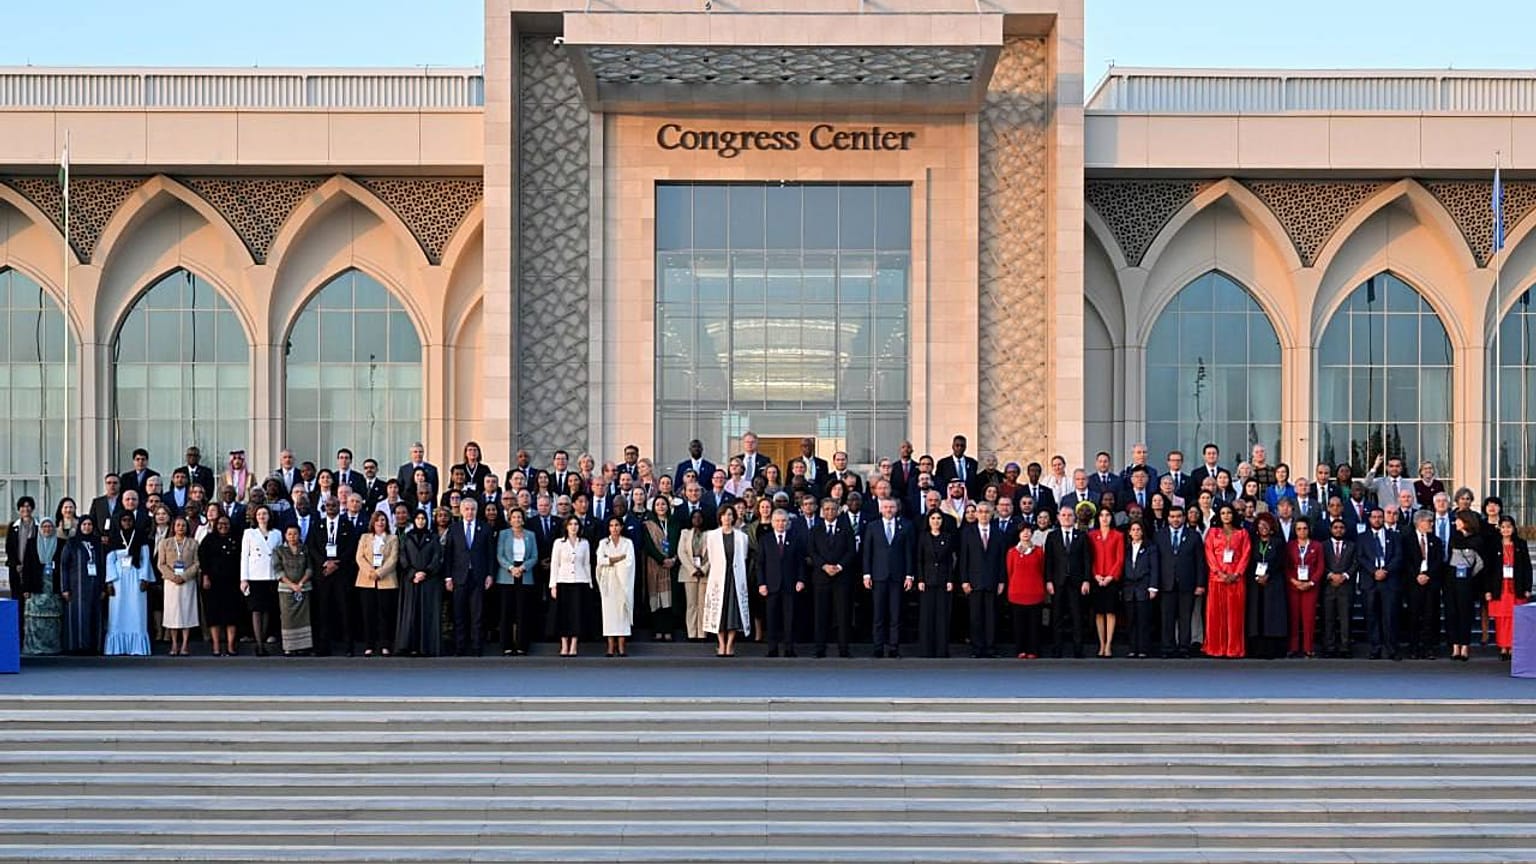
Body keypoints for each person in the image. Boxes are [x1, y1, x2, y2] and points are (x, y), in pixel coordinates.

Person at [861, 497, 913, 659]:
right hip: (878, 576)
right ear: (880, 509)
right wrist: (866, 574)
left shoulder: (905, 526)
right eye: (886, 507)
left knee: (895, 614)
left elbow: (909, 553)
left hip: (898, 576)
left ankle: (893, 648)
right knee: (878, 614)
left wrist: (909, 575)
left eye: (891, 507)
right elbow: (867, 552)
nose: (889, 510)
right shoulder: (872, 526)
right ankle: (878, 647)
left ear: (896, 509)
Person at [444, 498, 493, 657]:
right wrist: (448, 577)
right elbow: (448, 554)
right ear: (461, 510)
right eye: (467, 509)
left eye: (472, 509)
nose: (470, 512)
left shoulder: (484, 528)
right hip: (459, 577)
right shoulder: (454, 528)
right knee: (459, 614)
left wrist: (490, 574)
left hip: (478, 577)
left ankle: (477, 647)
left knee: (477, 614)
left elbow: (490, 554)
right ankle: (460, 647)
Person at [809, 497, 857, 658]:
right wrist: (824, 566)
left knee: (843, 615)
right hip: (821, 578)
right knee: (820, 614)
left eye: (833, 509)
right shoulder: (816, 529)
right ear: (822, 511)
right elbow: (812, 552)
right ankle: (819, 649)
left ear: (838, 510)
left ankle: (844, 649)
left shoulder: (846, 528)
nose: (830, 512)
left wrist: (839, 567)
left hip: (841, 577)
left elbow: (851, 551)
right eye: (827, 509)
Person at [958, 501, 1006, 658]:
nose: (984, 514)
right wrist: (964, 580)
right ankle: (977, 648)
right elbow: (963, 558)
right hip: (974, 581)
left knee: (992, 616)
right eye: (981, 511)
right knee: (975, 616)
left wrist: (1001, 580)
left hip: (992, 580)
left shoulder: (998, 533)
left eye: (987, 511)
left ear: (992, 513)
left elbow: (1001, 559)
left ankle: (991, 648)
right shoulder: (967, 532)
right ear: (976, 514)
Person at [104, 510, 155, 656]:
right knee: (117, 611)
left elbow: (145, 559)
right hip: (118, 579)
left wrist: (144, 578)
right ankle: (117, 647)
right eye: (124, 520)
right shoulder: (114, 537)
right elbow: (109, 561)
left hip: (135, 575)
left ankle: (137, 647)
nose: (127, 523)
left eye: (129, 520)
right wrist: (109, 582)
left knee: (136, 610)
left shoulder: (140, 537)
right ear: (120, 522)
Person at [395, 510, 445, 657]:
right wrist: (413, 573)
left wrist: (426, 572)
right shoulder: (407, 537)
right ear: (414, 520)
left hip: (429, 581)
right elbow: (403, 558)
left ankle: (426, 647)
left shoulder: (434, 537)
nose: (421, 521)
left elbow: (437, 557)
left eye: (423, 518)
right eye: (418, 518)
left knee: (427, 613)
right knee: (411, 612)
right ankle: (409, 646)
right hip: (411, 581)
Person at [1203, 503, 1250, 659]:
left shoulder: (1242, 533)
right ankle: (1216, 648)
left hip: (1236, 580)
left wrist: (1236, 574)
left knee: (1235, 616)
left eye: (1229, 513)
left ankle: (1234, 649)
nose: (1226, 516)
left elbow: (1245, 555)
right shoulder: (1213, 532)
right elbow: (1209, 554)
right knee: (1216, 615)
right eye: (1223, 513)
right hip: (1217, 579)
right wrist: (1219, 573)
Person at [757, 508, 806, 658]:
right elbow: (760, 564)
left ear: (788, 523)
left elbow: (800, 562)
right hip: (771, 585)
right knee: (772, 618)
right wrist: (761, 583)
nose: (780, 524)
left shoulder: (795, 539)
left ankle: (789, 649)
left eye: (783, 521)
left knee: (789, 618)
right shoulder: (766, 540)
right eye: (777, 521)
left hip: (790, 585)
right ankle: (772, 648)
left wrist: (801, 579)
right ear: (772, 523)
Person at [1156, 507, 1204, 658]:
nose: (1175, 519)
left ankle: (1184, 648)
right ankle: (1167, 648)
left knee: (1185, 617)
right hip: (1166, 583)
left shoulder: (1194, 536)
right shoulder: (1159, 535)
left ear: (1184, 518)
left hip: (1187, 583)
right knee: (1167, 618)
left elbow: (1200, 562)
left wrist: (1200, 584)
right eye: (1172, 516)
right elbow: (1156, 561)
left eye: (1178, 516)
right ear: (1168, 518)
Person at [704, 506, 750, 656]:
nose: (727, 518)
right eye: (724, 515)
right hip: (719, 578)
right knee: (719, 612)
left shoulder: (741, 537)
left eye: (730, 515)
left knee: (733, 612)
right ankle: (721, 644)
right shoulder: (711, 536)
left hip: (735, 577)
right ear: (720, 517)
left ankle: (730, 645)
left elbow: (743, 557)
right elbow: (711, 557)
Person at [353, 511, 399, 657]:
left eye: (383, 520)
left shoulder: (393, 538)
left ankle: (385, 645)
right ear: (373, 522)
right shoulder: (365, 537)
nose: (380, 523)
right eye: (378, 520)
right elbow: (359, 557)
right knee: (368, 614)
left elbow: (393, 559)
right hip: (367, 581)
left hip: (386, 581)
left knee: (385, 615)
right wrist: (370, 572)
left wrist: (379, 573)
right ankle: (369, 645)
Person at [1046, 505, 1088, 658]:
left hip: (1076, 582)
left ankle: (1078, 649)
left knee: (1077, 615)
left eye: (1069, 515)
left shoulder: (1081, 535)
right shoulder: (1053, 536)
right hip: (1058, 581)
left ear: (1074, 517)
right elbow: (1048, 560)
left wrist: (1086, 580)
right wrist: (1048, 580)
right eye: (1063, 515)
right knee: (1056, 616)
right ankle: (1057, 648)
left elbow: (1086, 560)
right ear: (1058, 517)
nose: (1066, 518)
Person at [1243, 513, 1287, 659]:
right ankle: (1257, 649)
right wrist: (1257, 576)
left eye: (1266, 525)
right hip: (1255, 583)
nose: (1263, 528)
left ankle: (1272, 649)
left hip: (1273, 582)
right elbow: (1249, 561)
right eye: (1260, 525)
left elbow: (1281, 561)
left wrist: (1268, 574)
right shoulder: (1252, 542)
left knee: (1272, 615)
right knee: (1256, 614)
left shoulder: (1278, 542)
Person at [1486, 515, 1530, 663]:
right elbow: (1488, 569)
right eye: (1503, 527)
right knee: (1501, 618)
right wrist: (1488, 590)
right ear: (1499, 528)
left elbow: (1527, 567)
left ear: (1513, 528)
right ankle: (1503, 647)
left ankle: (1513, 647)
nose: (1506, 530)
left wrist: (1527, 587)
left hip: (1516, 586)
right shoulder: (1493, 545)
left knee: (1515, 618)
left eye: (1509, 527)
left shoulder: (1520, 544)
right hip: (1499, 586)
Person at [490, 508, 534, 656]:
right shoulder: (504, 534)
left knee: (523, 612)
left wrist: (522, 567)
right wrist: (511, 568)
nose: (517, 520)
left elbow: (534, 556)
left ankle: (522, 645)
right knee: (506, 612)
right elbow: (499, 555)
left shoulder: (530, 535)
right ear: (510, 519)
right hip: (506, 576)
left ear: (523, 519)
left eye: (519, 517)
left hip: (525, 574)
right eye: (514, 517)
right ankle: (507, 645)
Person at [239, 504, 282, 655]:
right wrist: (244, 579)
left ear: (269, 516)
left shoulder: (277, 533)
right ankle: (259, 644)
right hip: (255, 576)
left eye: (264, 514)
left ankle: (263, 639)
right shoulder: (249, 533)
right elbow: (244, 556)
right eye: (259, 514)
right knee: (256, 610)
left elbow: (280, 554)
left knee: (267, 610)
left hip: (271, 576)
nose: (262, 517)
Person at [155, 516, 200, 656]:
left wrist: (184, 576)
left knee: (187, 612)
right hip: (171, 582)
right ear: (173, 527)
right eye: (178, 525)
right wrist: (172, 576)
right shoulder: (165, 543)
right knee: (173, 614)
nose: (181, 528)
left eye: (183, 525)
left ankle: (185, 645)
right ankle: (174, 644)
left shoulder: (193, 543)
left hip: (188, 581)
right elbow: (161, 564)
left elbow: (197, 563)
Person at [198, 515, 242, 656]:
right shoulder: (209, 539)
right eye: (220, 523)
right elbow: (203, 558)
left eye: (226, 523)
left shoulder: (237, 538)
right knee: (214, 614)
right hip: (213, 582)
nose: (223, 526)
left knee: (232, 614)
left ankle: (230, 646)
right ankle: (216, 646)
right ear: (216, 525)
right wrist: (205, 576)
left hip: (232, 582)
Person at [915, 509, 956, 658]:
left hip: (943, 581)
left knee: (942, 616)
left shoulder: (947, 537)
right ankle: (926, 650)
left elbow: (950, 561)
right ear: (929, 520)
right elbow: (919, 560)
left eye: (939, 518)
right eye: (933, 518)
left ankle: (942, 650)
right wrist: (920, 579)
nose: (936, 521)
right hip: (927, 581)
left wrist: (951, 580)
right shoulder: (923, 537)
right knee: (927, 616)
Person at [550, 515, 592, 657]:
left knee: (576, 614)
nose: (574, 527)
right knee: (563, 614)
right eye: (571, 524)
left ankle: (574, 644)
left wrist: (590, 582)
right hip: (563, 581)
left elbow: (587, 564)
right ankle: (564, 644)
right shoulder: (559, 543)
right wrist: (553, 585)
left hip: (580, 581)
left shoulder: (584, 543)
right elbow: (555, 565)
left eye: (576, 524)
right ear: (566, 527)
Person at [1445, 512, 1484, 662]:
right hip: (1451, 578)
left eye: (1459, 520)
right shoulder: (1454, 537)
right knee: (1452, 612)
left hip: (1467, 581)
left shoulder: (1477, 540)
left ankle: (1465, 646)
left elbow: (1480, 563)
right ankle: (1455, 646)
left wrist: (1469, 575)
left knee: (1465, 613)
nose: (1456, 523)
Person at [1086, 505, 1124, 658]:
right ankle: (1101, 643)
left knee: (1110, 612)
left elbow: (1120, 559)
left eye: (1107, 515)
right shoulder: (1092, 535)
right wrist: (1095, 575)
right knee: (1099, 613)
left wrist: (1110, 576)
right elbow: (1090, 558)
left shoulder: (1118, 535)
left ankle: (1109, 644)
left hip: (1111, 579)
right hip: (1097, 579)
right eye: (1101, 515)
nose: (1104, 518)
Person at [22, 518, 64, 655]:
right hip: (36, 586)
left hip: (53, 585)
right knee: (34, 618)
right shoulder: (31, 544)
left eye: (50, 526)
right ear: (39, 529)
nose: (47, 529)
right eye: (44, 526)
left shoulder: (61, 544)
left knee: (53, 619)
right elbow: (26, 567)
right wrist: (26, 588)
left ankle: (52, 649)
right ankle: (34, 648)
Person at [595, 516, 635, 657]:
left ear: (621, 527)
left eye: (617, 525)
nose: (614, 528)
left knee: (622, 612)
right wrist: (617, 559)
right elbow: (600, 560)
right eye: (611, 525)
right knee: (609, 613)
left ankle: (622, 646)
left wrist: (611, 561)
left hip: (623, 582)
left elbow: (629, 562)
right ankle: (611, 646)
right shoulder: (603, 543)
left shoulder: (627, 543)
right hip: (608, 582)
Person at [641, 496, 677, 641]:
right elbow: (648, 545)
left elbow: (676, 542)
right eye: (658, 504)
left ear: (668, 506)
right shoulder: (648, 524)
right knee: (655, 599)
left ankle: (668, 630)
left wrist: (672, 558)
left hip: (671, 566)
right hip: (654, 565)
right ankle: (657, 630)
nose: (661, 507)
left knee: (668, 599)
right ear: (653, 508)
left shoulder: (674, 523)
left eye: (663, 504)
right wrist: (662, 559)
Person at [1119, 520, 1157, 659]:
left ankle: (1143, 649)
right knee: (1131, 620)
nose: (1135, 532)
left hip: (1144, 587)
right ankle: (1132, 648)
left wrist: (1153, 587)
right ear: (1129, 532)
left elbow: (1154, 568)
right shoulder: (1126, 548)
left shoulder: (1150, 548)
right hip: (1129, 589)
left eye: (1138, 529)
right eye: (1133, 529)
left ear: (1142, 531)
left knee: (1143, 620)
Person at [6, 496, 41, 645]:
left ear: (32, 509)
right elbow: (9, 548)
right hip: (16, 571)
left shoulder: (38, 527)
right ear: (19, 509)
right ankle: (18, 640)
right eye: (22, 507)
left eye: (28, 506)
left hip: (32, 572)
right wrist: (15, 564)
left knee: (32, 606)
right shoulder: (13, 526)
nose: (25, 509)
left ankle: (32, 641)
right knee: (17, 604)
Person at [275, 524, 314, 655]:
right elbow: (278, 570)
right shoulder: (279, 550)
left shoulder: (304, 548)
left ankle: (303, 646)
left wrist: (301, 583)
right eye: (289, 534)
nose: (292, 537)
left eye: (295, 534)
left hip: (303, 588)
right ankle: (289, 647)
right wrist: (292, 585)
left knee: (304, 617)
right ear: (285, 536)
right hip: (286, 589)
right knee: (287, 618)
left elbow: (309, 568)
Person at [1321, 518, 1357, 658]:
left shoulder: (1352, 545)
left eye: (1341, 527)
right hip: (1328, 587)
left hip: (1345, 586)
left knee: (1345, 618)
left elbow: (1355, 562)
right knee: (1328, 618)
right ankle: (1329, 647)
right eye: (1335, 527)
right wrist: (1330, 575)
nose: (1338, 530)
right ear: (1331, 529)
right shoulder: (1323, 545)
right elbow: (1320, 563)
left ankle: (1345, 647)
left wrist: (1345, 576)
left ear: (1345, 530)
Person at [677, 509, 711, 642]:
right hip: (689, 573)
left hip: (705, 574)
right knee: (691, 604)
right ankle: (692, 633)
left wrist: (703, 569)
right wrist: (692, 569)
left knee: (703, 604)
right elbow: (681, 553)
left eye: (699, 517)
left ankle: (702, 633)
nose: (697, 520)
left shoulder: (710, 534)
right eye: (694, 517)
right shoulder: (685, 533)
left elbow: (713, 554)